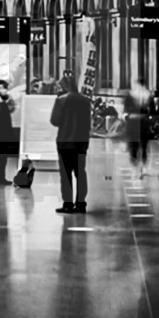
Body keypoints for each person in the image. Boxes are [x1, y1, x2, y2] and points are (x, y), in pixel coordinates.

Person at [50, 73, 92, 213]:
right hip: (80, 143)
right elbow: (88, 123)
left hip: (64, 142)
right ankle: (81, 204)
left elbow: (55, 121)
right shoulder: (85, 101)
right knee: (80, 172)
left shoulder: (61, 100)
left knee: (66, 173)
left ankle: (67, 204)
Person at [124, 80, 155, 177]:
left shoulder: (130, 94)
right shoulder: (148, 95)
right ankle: (144, 167)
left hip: (133, 122)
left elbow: (126, 108)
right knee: (144, 146)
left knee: (133, 146)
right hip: (144, 121)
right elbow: (153, 110)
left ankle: (134, 167)